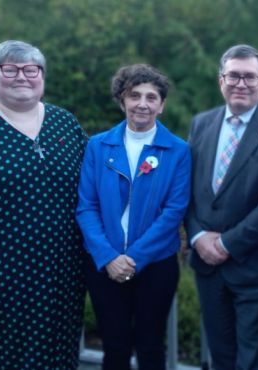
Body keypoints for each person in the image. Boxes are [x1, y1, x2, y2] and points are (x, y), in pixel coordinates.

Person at [0, 40, 87, 369]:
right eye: (10, 69)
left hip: (61, 278)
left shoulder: (65, 123)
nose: (22, 76)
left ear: (42, 76)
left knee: (56, 356)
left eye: (31, 69)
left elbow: (95, 189)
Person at [185, 44, 258, 370]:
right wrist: (196, 237)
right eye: (234, 75)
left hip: (255, 269)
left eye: (250, 77)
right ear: (221, 80)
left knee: (256, 363)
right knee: (221, 359)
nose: (241, 83)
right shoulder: (201, 124)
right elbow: (188, 191)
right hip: (208, 269)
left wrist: (226, 243)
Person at [76, 64, 190, 370]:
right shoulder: (98, 146)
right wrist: (109, 257)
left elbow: (173, 212)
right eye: (134, 95)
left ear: (161, 105)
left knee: (151, 347)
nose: (143, 103)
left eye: (151, 97)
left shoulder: (178, 150)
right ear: (122, 100)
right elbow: (86, 206)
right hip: (104, 264)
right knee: (115, 347)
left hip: (155, 264)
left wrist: (135, 257)